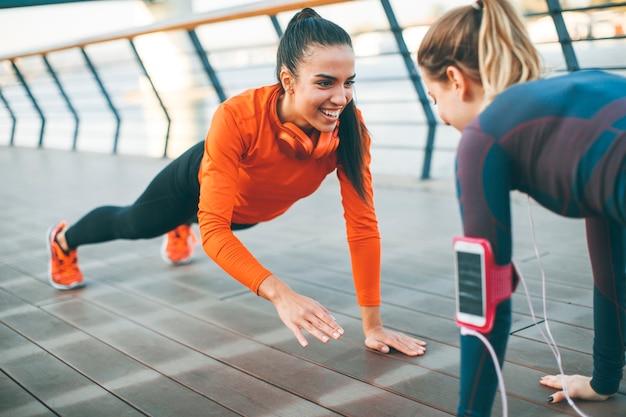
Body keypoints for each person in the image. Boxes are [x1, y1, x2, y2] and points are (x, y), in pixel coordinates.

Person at [47, 7, 427, 357]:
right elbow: (214, 231)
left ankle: (181, 224)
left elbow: (362, 228)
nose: (341, 97)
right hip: (193, 182)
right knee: (133, 224)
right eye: (325, 83)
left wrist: (373, 326)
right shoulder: (237, 117)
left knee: (236, 221)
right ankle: (64, 240)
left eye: (348, 82)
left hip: (247, 210)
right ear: (288, 81)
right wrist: (281, 294)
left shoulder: (350, 132)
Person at [417, 0, 625, 415]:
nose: (439, 117)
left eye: (434, 98)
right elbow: (612, 266)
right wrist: (603, 380)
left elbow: (485, 299)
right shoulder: (589, 87)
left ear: (456, 80)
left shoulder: (482, 138)